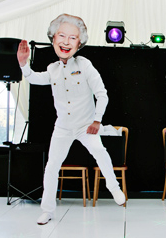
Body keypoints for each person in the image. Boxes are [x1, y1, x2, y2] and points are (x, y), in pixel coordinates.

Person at [16, 14, 126, 225]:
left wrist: (96, 121)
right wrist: (23, 66)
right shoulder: (52, 69)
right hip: (63, 128)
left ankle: (114, 188)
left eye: (72, 38)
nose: (66, 42)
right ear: (53, 38)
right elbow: (35, 79)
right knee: (51, 167)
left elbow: (102, 94)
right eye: (62, 36)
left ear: (79, 43)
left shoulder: (84, 65)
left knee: (100, 152)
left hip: (86, 125)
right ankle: (47, 211)